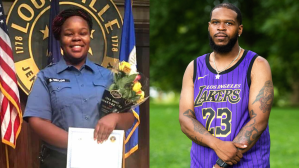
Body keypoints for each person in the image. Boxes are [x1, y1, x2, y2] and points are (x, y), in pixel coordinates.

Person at [23, 8, 134, 168]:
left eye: (83, 33)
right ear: (59, 39)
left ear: (89, 37)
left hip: (101, 158)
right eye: (69, 34)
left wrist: (115, 117)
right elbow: (37, 121)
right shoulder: (45, 76)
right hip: (58, 160)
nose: (77, 38)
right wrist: (79, 143)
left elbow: (128, 119)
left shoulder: (108, 76)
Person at [179, 3, 273, 168]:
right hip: (202, 162)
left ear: (240, 29)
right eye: (215, 22)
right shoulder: (194, 67)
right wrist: (216, 144)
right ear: (209, 27)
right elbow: (185, 118)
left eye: (228, 23)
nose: (221, 28)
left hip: (248, 163)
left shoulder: (257, 65)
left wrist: (220, 164)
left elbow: (258, 120)